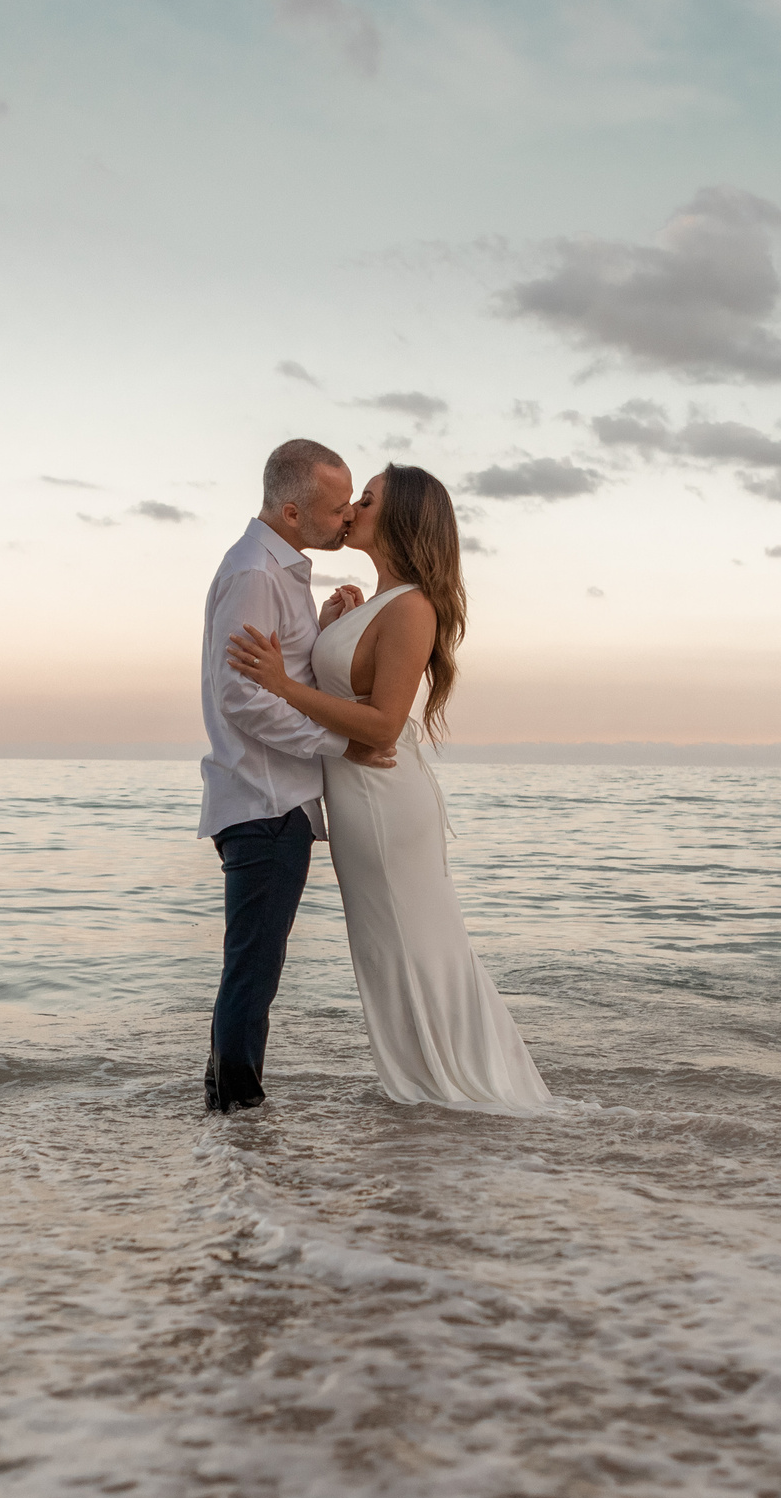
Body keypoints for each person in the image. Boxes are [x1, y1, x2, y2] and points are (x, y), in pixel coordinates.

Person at [225, 465, 552, 1111]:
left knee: (418, 944)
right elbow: (346, 694)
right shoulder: (374, 602)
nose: (349, 510)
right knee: (386, 949)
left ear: (399, 520)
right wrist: (324, 629)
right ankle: (425, 1089)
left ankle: (458, 1087)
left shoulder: (412, 608)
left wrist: (284, 683)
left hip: (383, 800)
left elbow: (382, 724)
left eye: (366, 501)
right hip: (356, 798)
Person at [196, 439, 393, 1113]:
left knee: (251, 969)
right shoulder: (255, 571)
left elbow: (281, 676)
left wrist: (324, 627)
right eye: (337, 508)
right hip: (264, 800)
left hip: (272, 801)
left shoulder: (281, 570)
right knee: (253, 972)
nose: (346, 518)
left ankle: (226, 1117)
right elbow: (242, 697)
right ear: (289, 511)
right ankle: (239, 1117)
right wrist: (340, 744)